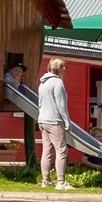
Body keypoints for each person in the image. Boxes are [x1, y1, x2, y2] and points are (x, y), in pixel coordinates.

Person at [37, 58, 71, 190]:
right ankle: (61, 182)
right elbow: (61, 104)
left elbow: (40, 103)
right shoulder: (57, 83)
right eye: (62, 66)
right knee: (61, 150)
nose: (65, 69)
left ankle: (46, 180)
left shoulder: (43, 83)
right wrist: (67, 121)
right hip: (54, 121)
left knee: (47, 151)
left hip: (43, 120)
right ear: (57, 68)